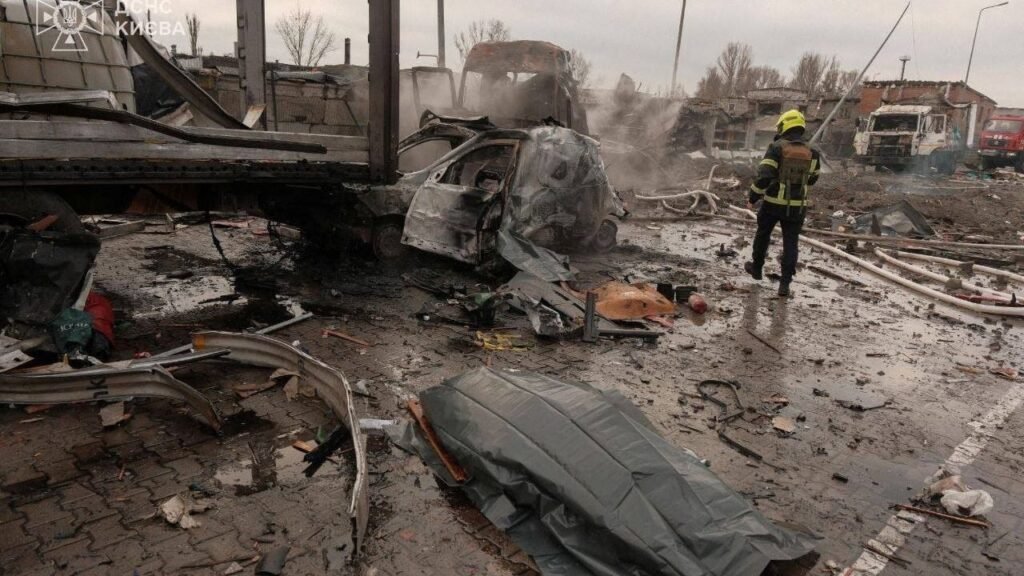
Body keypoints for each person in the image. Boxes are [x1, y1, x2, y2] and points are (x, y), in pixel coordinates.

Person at [744, 109, 821, 297]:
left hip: (772, 204)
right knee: (791, 243)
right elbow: (812, 179)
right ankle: (785, 284)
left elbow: (764, 176)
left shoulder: (776, 147)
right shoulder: (813, 151)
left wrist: (753, 197)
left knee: (763, 235)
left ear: (784, 125)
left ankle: (757, 269)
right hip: (797, 207)